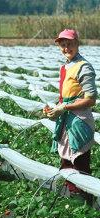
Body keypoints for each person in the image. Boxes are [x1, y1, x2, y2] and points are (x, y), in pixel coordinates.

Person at [44, 29, 97, 193]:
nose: (66, 48)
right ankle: (71, 198)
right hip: (66, 121)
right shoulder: (65, 67)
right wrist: (54, 109)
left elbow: (91, 99)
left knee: (80, 165)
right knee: (66, 163)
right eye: (63, 45)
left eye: (70, 44)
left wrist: (64, 107)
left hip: (79, 122)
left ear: (77, 44)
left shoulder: (84, 67)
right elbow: (65, 97)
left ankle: (85, 204)